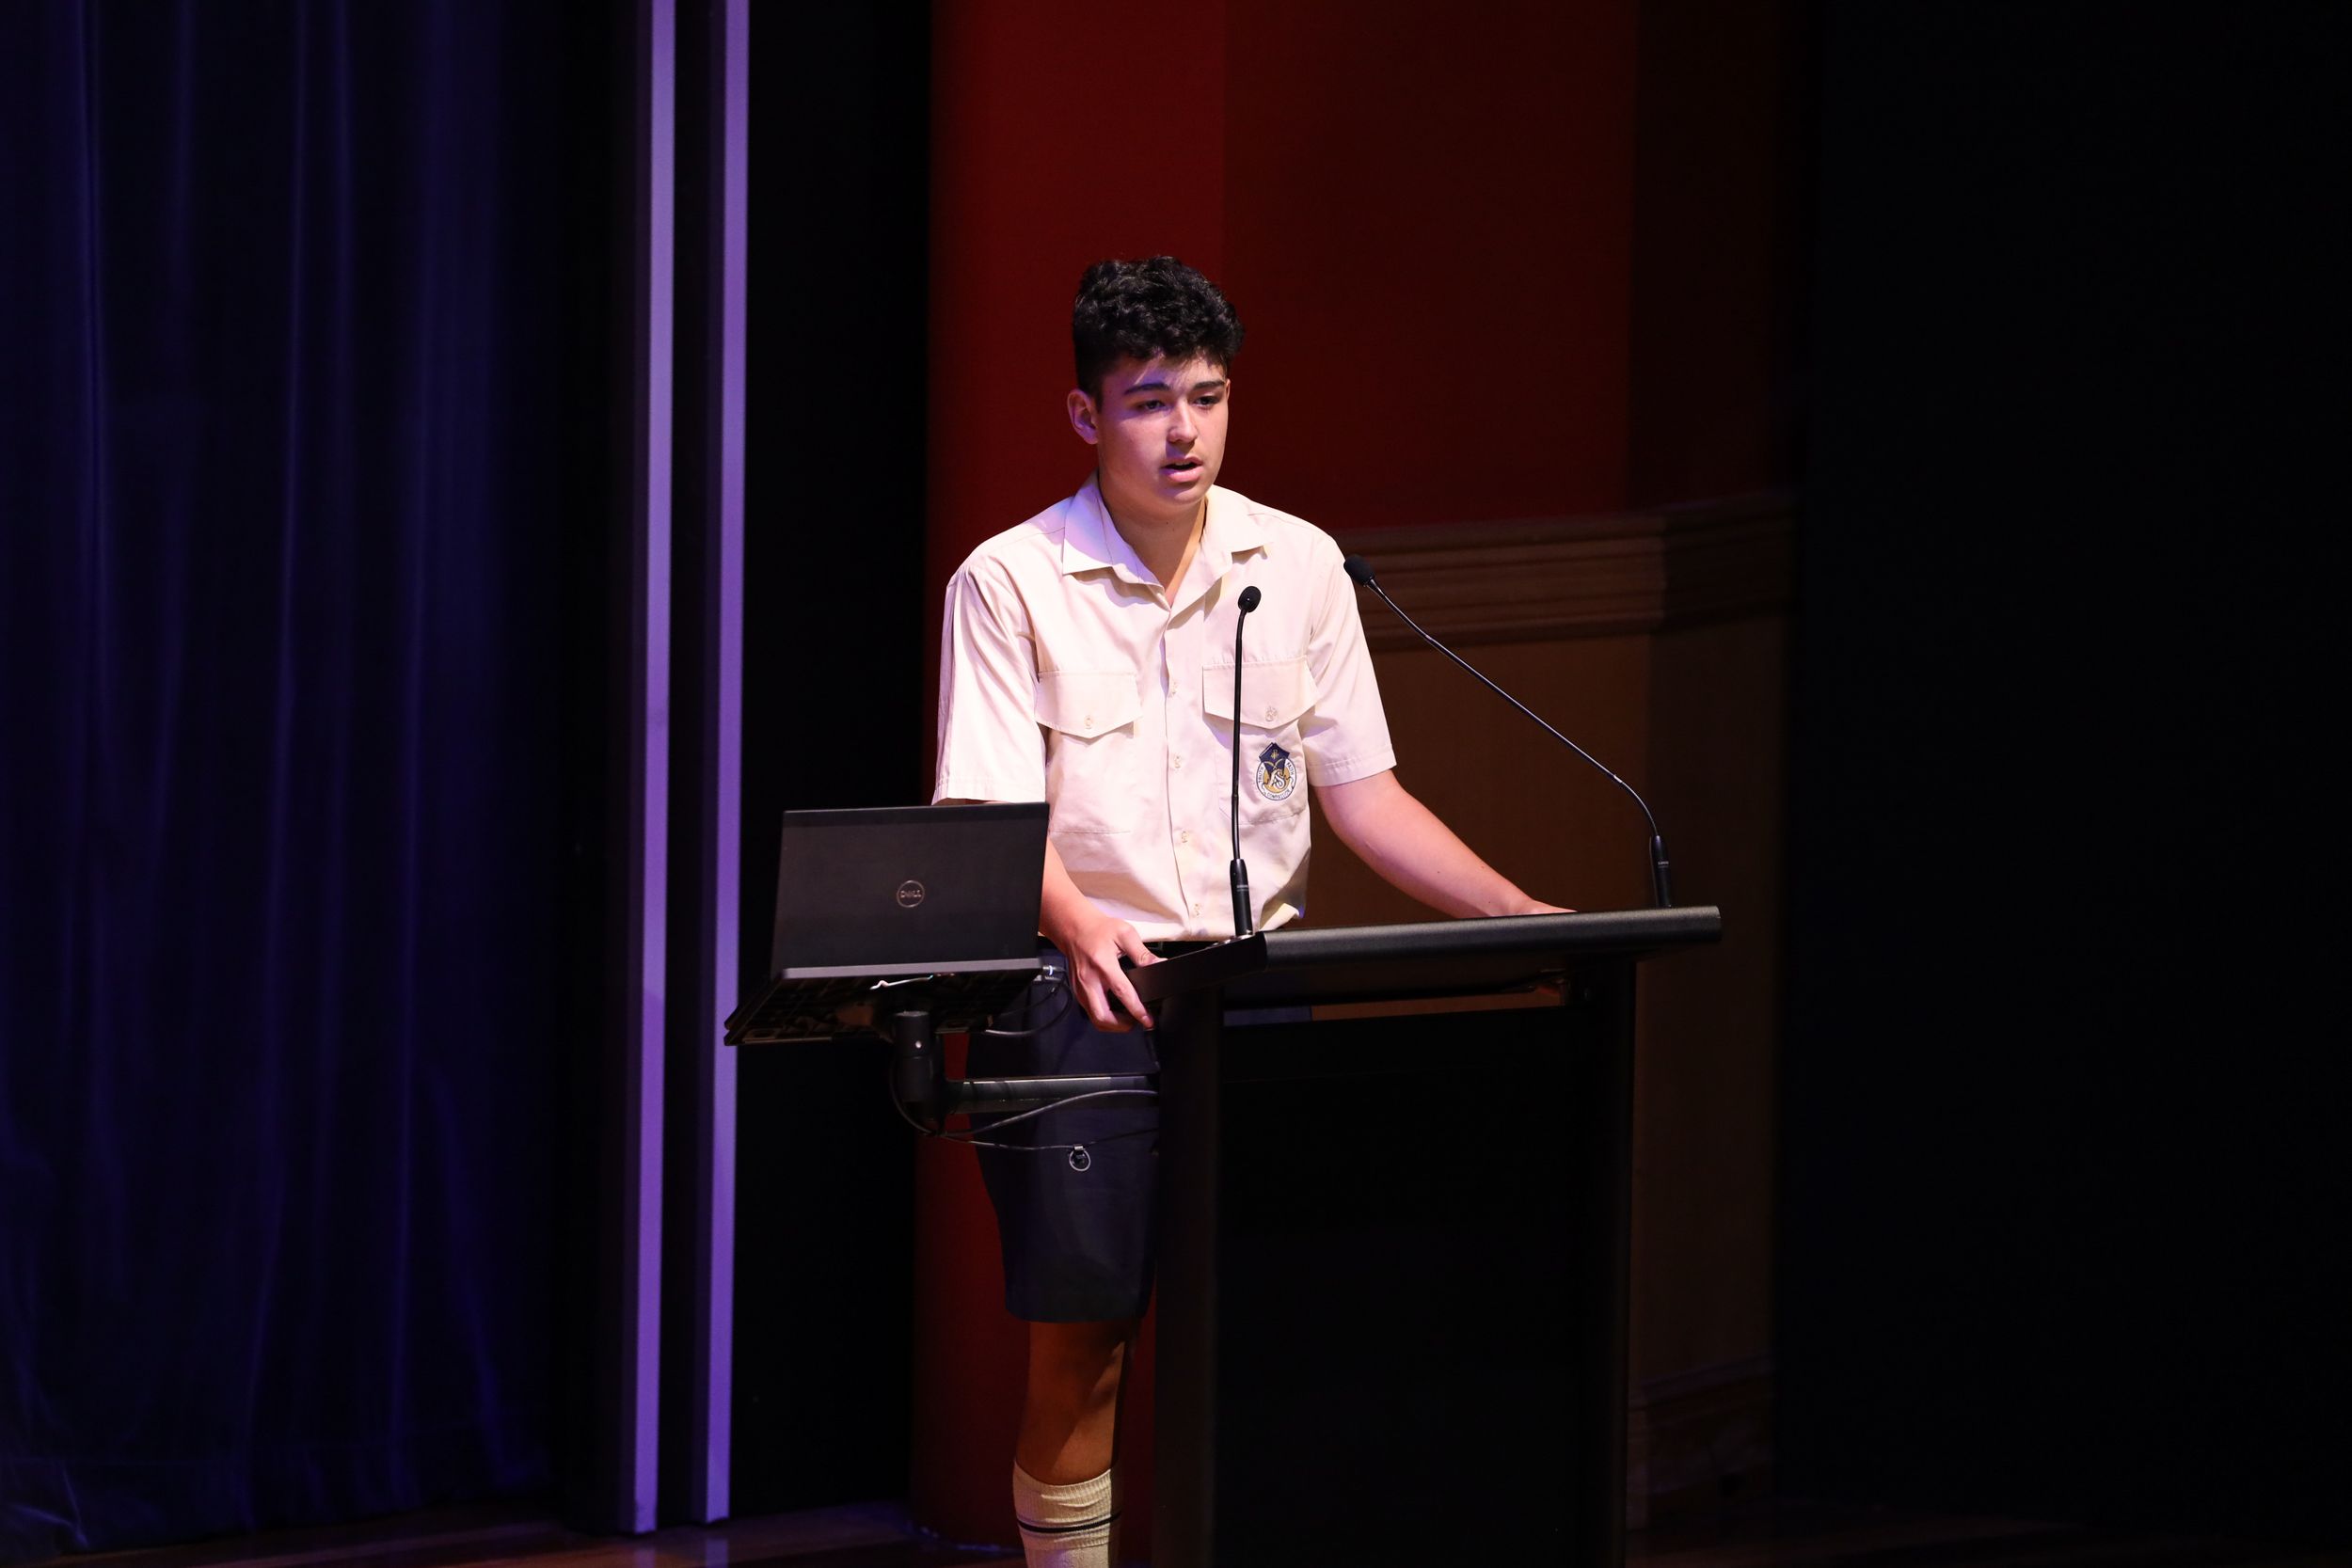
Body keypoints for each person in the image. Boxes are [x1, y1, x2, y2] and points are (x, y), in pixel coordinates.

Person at [933, 255, 1563, 1567]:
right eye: (1149, 401)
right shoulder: (1011, 579)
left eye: (1207, 399)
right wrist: (1077, 919)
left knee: (1280, 1328)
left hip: (1256, 996)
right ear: (1085, 414)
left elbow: (1366, 800)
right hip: (1082, 1001)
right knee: (1087, 1347)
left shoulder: (1300, 562)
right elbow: (985, 818)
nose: (1185, 432)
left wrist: (1521, 914)